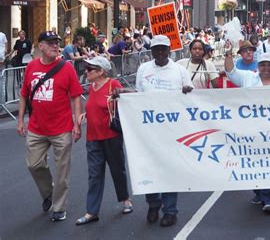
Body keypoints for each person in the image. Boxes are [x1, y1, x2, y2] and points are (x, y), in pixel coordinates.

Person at [17, 31, 83, 222]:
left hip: (61, 128)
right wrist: (21, 120)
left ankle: (59, 207)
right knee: (34, 164)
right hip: (37, 128)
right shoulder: (31, 67)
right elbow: (23, 94)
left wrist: (77, 123)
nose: (55, 46)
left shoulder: (66, 68)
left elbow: (76, 95)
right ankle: (48, 193)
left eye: (57, 42)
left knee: (62, 170)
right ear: (41, 47)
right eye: (51, 43)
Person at [133, 35, 193, 226]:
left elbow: (191, 97)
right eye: (156, 49)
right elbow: (138, 97)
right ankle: (153, 203)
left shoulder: (179, 70)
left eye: (163, 49)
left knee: (169, 170)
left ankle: (170, 211)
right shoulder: (143, 69)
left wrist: (186, 90)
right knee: (149, 169)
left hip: (172, 131)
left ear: (169, 50)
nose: (159, 52)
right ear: (151, 51)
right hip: (148, 131)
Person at [224, 50, 270, 214]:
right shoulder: (248, 77)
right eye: (263, 65)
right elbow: (231, 71)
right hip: (250, 132)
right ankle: (259, 192)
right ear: (258, 66)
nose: (266, 68)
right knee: (253, 164)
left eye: (269, 65)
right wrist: (229, 55)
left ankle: (268, 198)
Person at [75, 56, 133, 225]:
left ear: (101, 71)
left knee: (117, 169)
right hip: (93, 138)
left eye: (90, 69)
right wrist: (88, 114)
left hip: (111, 137)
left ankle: (125, 199)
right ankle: (91, 211)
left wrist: (121, 93)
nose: (86, 72)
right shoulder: (92, 86)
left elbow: (130, 97)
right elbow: (96, 106)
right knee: (94, 175)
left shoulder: (112, 84)